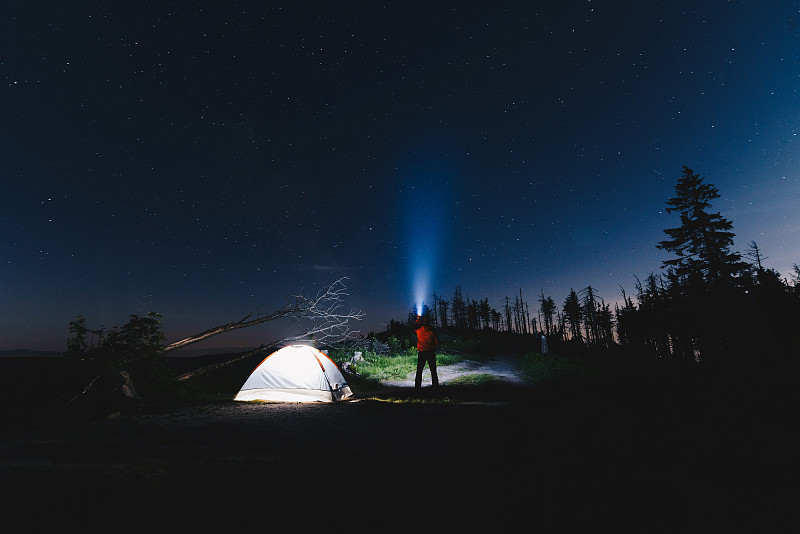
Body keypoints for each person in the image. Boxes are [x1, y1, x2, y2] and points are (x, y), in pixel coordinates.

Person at [414, 314, 440, 389]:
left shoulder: (418, 330)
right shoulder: (432, 330)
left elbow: (415, 326)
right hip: (430, 352)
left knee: (419, 370)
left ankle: (417, 387)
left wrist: (418, 319)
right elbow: (437, 342)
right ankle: (435, 386)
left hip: (422, 352)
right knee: (433, 370)